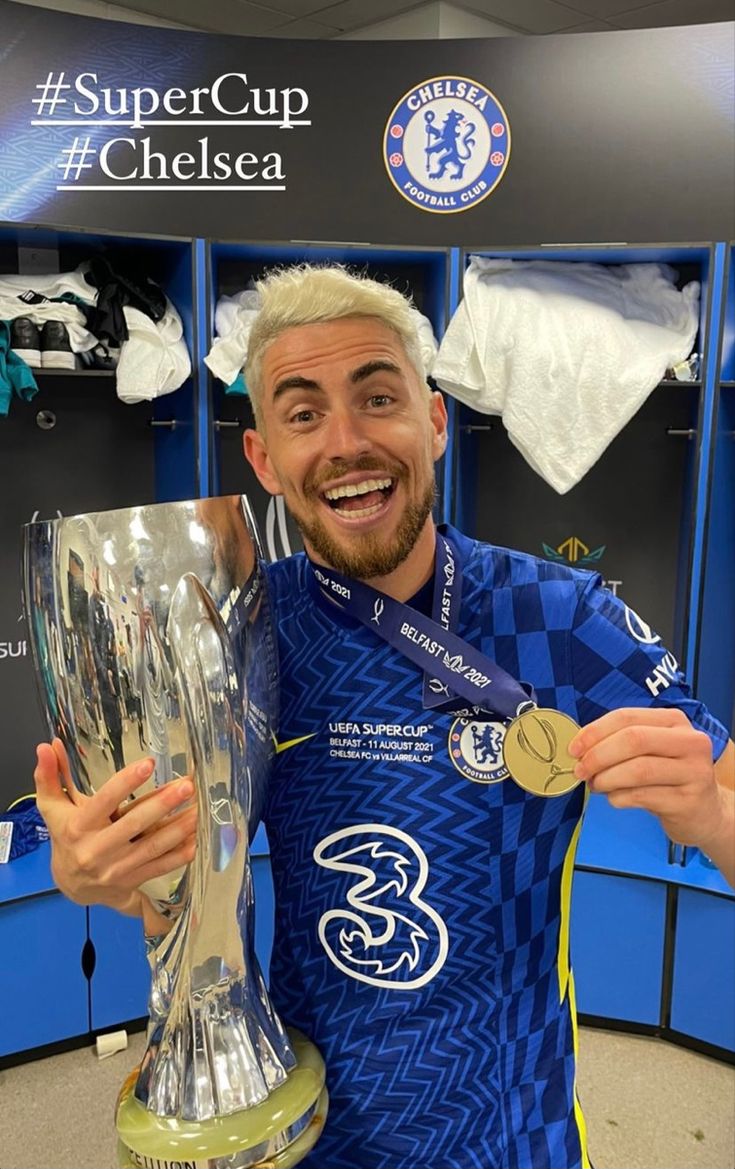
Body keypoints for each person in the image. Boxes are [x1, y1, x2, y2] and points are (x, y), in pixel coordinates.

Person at [34, 265, 735, 1169]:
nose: (346, 441)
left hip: (514, 1138)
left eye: (377, 397)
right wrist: (101, 869)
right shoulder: (237, 626)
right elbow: (173, 883)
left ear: (434, 423)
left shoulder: (557, 616)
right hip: (300, 1125)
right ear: (262, 460)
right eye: (302, 412)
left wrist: (710, 812)